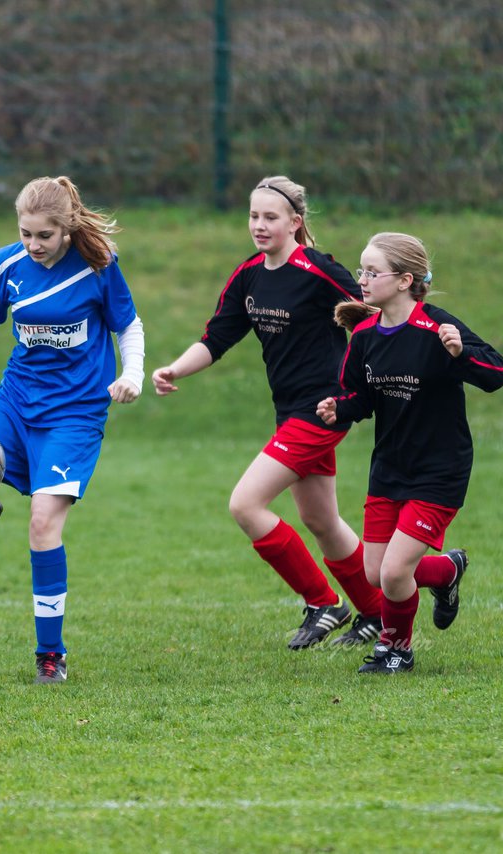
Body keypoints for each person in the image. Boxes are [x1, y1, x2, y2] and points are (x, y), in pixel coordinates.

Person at [150, 176, 384, 651]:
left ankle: (324, 602)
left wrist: (372, 383)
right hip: (289, 411)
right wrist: (175, 369)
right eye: (254, 216)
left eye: (270, 217)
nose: (259, 225)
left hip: (323, 410)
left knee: (245, 504)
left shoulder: (319, 271)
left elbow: (377, 318)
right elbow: (217, 338)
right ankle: (377, 614)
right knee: (321, 520)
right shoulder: (250, 275)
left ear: (295, 223)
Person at [0, 176, 145, 684]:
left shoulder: (99, 265)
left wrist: (131, 373)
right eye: (25, 233)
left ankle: (50, 654)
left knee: (44, 523)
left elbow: (127, 324)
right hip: (16, 400)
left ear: (67, 230)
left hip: (74, 414)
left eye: (43, 236)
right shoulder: (7, 263)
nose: (33, 244)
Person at [317, 231, 503, 673]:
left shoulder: (436, 327)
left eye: (372, 272)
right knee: (375, 572)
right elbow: (360, 398)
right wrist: (338, 408)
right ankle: (445, 571)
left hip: (440, 468)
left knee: (393, 574)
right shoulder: (364, 334)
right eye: (361, 269)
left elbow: (497, 373)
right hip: (390, 466)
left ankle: (396, 649)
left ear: (404, 280)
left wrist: (459, 353)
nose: (361, 279)